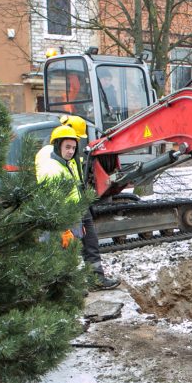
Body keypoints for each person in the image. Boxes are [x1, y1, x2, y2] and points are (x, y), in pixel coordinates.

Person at [36, 123, 120, 291]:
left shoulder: (69, 161)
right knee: (67, 251)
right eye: (67, 147)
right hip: (67, 213)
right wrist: (64, 226)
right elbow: (54, 200)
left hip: (80, 208)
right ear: (58, 145)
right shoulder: (52, 169)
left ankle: (96, 278)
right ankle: (63, 289)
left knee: (91, 244)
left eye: (74, 148)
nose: (71, 151)